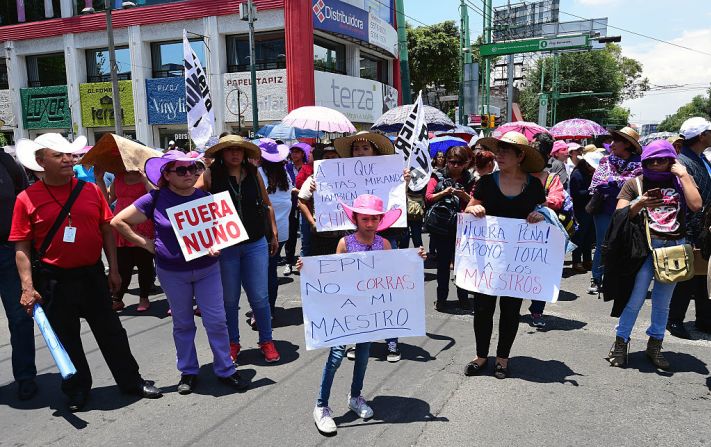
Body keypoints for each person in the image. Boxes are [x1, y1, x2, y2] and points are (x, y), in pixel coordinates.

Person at [10, 134, 162, 412]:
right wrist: (27, 286)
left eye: (70, 154)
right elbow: (22, 245)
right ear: (41, 161)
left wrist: (113, 269)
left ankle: (131, 382)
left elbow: (107, 229)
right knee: (67, 338)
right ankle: (77, 390)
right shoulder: (26, 199)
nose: (69, 159)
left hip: (92, 274)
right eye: (59, 155)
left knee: (112, 332)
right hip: (54, 279)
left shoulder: (90, 190)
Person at [111, 151, 249, 393]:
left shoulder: (207, 198)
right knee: (183, 323)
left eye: (193, 169)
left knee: (216, 321)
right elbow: (118, 221)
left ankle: (226, 369)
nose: (191, 174)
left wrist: (217, 243)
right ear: (166, 174)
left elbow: (221, 231)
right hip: (172, 272)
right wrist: (145, 243)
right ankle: (188, 371)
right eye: (182, 170)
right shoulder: (154, 199)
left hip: (207, 270)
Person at [306, 194, 424, 434]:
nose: (369, 223)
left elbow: (394, 274)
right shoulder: (345, 243)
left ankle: (356, 396)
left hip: (369, 311)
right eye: (365, 218)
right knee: (337, 355)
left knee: (363, 354)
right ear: (356, 218)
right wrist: (307, 269)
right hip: (344, 309)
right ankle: (321, 406)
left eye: (374, 219)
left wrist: (415, 260)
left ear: (380, 220)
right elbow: (331, 275)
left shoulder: (384, 244)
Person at [608, 140, 701, 369]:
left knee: (663, 303)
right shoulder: (635, 183)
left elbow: (697, 205)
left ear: (672, 160)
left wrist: (685, 175)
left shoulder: (680, 182)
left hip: (673, 249)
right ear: (645, 161)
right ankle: (621, 343)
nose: (657, 164)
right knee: (635, 299)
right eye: (652, 160)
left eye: (663, 159)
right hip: (644, 250)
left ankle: (655, 345)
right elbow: (619, 215)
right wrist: (639, 203)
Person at [463, 131, 546, 379]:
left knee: (511, 311)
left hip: (517, 262)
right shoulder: (486, 182)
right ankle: (481, 356)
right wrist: (473, 207)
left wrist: (538, 216)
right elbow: (469, 208)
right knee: (483, 308)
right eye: (498, 150)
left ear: (520, 156)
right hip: (487, 259)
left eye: (506, 150)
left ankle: (502, 358)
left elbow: (542, 213)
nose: (499, 154)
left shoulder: (534, 186)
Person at [197, 135, 281, 363]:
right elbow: (191, 202)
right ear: (221, 154)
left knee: (260, 297)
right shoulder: (210, 175)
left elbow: (267, 204)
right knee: (229, 300)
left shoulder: (254, 174)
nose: (235, 154)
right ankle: (232, 343)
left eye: (239, 150)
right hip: (226, 247)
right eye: (229, 150)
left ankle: (266, 341)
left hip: (255, 243)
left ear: (245, 154)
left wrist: (273, 233)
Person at [333, 131, 408, 362]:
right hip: (356, 238)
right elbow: (330, 198)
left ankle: (391, 341)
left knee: (385, 292)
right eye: (356, 149)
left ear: (375, 151)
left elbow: (397, 201)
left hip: (384, 237)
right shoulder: (342, 174)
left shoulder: (390, 174)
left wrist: (403, 182)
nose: (361, 152)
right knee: (357, 292)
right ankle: (359, 338)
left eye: (366, 148)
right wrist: (317, 188)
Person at [667, 117, 711, 338]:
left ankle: (704, 319)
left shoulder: (701, 158)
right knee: (686, 278)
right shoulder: (682, 162)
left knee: (703, 277)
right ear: (702, 136)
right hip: (691, 228)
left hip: (704, 228)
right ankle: (674, 320)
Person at [0, 147, 37, 401]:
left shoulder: (7, 162)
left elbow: (24, 202)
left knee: (20, 317)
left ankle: (25, 377)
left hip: (7, 253)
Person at [588, 127, 642, 295]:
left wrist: (612, 182)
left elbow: (636, 185)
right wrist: (620, 184)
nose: (611, 144)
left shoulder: (640, 163)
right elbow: (597, 184)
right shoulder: (605, 160)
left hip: (628, 210)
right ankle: (596, 278)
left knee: (623, 244)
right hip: (603, 209)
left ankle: (617, 279)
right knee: (603, 243)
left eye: (616, 141)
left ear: (627, 144)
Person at [96, 168, 156, 312]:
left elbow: (155, 197)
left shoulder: (146, 176)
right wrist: (99, 180)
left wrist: (145, 178)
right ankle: (117, 298)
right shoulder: (118, 177)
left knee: (145, 264)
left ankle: (144, 297)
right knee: (122, 265)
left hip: (142, 223)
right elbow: (107, 200)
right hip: (120, 225)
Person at [425, 145, 476, 312]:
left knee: (462, 264)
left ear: (465, 164)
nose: (455, 166)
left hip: (463, 227)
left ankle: (463, 298)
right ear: (446, 161)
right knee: (443, 264)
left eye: (459, 163)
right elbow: (428, 197)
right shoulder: (437, 176)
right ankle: (441, 298)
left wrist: (464, 196)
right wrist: (444, 193)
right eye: (452, 162)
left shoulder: (470, 179)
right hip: (442, 227)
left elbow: (477, 201)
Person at [258, 139, 293, 317]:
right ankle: (268, 309)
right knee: (270, 272)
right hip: (282, 231)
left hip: (263, 232)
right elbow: (289, 196)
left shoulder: (257, 174)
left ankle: (263, 311)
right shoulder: (284, 174)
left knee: (261, 274)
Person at [297, 144, 344, 256]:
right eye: (327, 158)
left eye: (333, 157)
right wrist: (312, 222)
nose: (330, 160)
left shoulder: (346, 178)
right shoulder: (314, 178)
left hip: (343, 233)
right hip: (320, 233)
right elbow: (301, 201)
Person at [569, 150, 603, 273]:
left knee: (589, 237)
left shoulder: (590, 174)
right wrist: (592, 190)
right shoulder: (577, 175)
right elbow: (576, 194)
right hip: (580, 210)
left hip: (590, 209)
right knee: (579, 237)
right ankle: (576, 261)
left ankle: (587, 260)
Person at [282, 142, 310, 275]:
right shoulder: (286, 167)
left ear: (303, 154)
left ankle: (304, 261)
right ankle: (288, 262)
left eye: (297, 152)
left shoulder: (308, 168)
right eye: (292, 152)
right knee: (291, 233)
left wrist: (300, 191)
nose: (294, 155)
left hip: (305, 204)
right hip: (291, 204)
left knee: (305, 234)